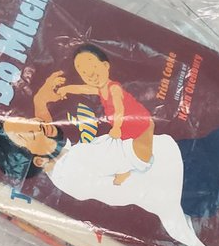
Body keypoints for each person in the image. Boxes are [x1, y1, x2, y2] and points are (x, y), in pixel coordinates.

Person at [0, 71, 206, 246]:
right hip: (186, 175)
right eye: (29, 133)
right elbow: (140, 154)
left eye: (27, 121)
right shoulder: (79, 162)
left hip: (173, 187)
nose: (37, 123)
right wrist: (137, 117)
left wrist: (40, 101)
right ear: (36, 161)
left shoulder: (59, 170)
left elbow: (43, 131)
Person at [58, 44, 155, 185]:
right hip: (126, 128)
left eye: (94, 67)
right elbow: (83, 89)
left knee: (134, 154)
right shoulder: (100, 89)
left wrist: (116, 127)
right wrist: (67, 89)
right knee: (122, 151)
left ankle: (129, 170)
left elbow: (119, 108)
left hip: (138, 122)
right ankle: (127, 169)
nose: (90, 74)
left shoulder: (113, 88)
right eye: (84, 72)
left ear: (105, 65)